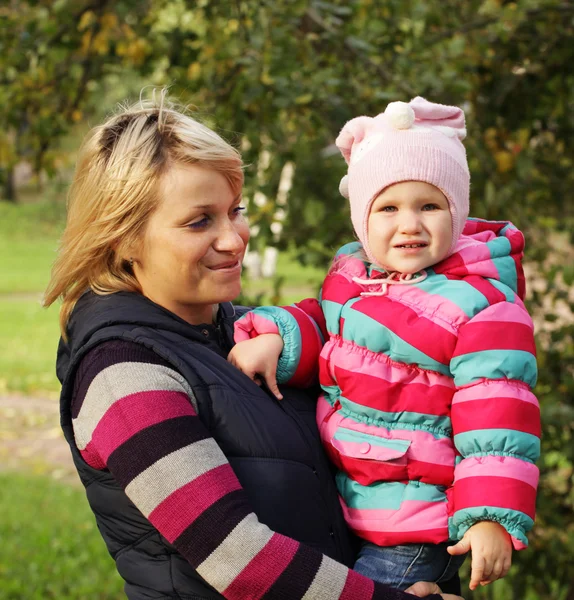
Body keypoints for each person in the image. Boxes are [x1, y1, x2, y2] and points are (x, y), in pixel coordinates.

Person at [43, 95, 463, 600]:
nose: (234, 238)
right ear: (124, 241)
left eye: (234, 211)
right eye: (200, 221)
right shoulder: (122, 372)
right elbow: (238, 558)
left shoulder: (243, 333)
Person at [228, 97, 540, 592]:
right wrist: (277, 340)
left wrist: (489, 515)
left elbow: (498, 414)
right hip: (355, 504)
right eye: (389, 208)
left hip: (419, 528)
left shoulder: (482, 305)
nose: (410, 224)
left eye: (429, 205)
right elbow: (327, 329)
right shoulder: (353, 276)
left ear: (456, 212)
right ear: (362, 220)